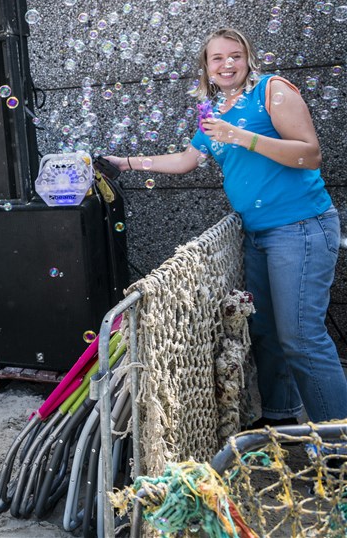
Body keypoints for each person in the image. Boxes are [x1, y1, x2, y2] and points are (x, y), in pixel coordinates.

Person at [104, 26, 346, 427]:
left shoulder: (273, 90)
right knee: (267, 333)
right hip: (259, 234)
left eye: (235, 55)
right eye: (217, 58)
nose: (227, 63)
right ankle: (281, 420)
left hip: (301, 228)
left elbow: (310, 154)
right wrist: (126, 163)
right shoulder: (213, 115)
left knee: (301, 339)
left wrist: (241, 137)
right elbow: (185, 161)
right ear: (207, 68)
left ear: (248, 58)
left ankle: (338, 440)